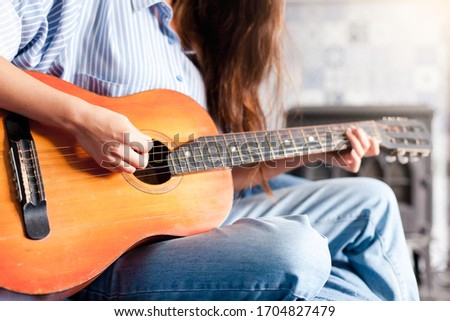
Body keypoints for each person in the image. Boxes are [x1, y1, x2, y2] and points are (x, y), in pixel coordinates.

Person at [0, 0, 419, 300]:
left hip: (168, 242)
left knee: (373, 200)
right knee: (299, 251)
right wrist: (83, 119)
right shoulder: (77, 7)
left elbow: (204, 189)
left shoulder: (186, 69)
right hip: (74, 250)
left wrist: (313, 152)